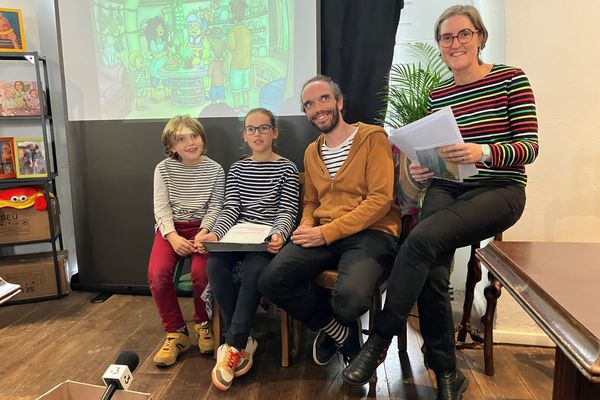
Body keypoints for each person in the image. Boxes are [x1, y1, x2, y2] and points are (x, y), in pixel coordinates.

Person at [342, 5, 539, 400]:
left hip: (500, 189)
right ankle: (447, 372)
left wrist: (481, 151)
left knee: (419, 241)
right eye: (446, 38)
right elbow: (438, 155)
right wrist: (422, 170)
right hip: (450, 187)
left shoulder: (511, 79)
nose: (455, 43)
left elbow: (530, 148)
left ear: (480, 37)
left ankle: (378, 342)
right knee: (432, 268)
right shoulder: (440, 94)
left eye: (463, 34)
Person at [258, 75, 401, 368]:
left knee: (349, 302)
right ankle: (339, 333)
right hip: (323, 231)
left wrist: (325, 232)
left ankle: (337, 325)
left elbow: (380, 199)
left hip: (371, 231)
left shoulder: (373, 137)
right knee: (271, 281)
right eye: (309, 104)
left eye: (324, 99)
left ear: (339, 101)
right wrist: (307, 224)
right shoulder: (312, 152)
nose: (317, 108)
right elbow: (310, 201)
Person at [196, 108, 299, 391]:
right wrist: (216, 232)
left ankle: (234, 344)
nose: (257, 134)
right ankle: (244, 340)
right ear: (244, 135)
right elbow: (231, 208)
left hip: (266, 239)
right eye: (251, 129)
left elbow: (287, 209)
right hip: (237, 236)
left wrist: (279, 233)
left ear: (274, 133)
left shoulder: (287, 168)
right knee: (215, 265)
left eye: (264, 128)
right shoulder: (238, 168)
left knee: (255, 268)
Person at [148, 115, 225, 367]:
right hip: (170, 229)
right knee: (158, 275)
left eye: (194, 136)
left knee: (202, 274)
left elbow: (216, 207)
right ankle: (177, 333)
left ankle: (203, 324)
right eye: (181, 139)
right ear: (172, 147)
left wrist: (204, 231)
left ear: (202, 138)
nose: (190, 143)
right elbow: (161, 208)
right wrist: (172, 237)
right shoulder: (163, 169)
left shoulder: (215, 169)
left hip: (203, 229)